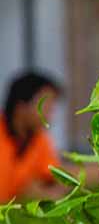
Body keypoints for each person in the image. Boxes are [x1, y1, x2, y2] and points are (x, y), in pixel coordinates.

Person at [0, 72, 67, 202]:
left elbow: (53, 177)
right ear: (21, 107)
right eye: (45, 106)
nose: (49, 115)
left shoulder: (39, 139)